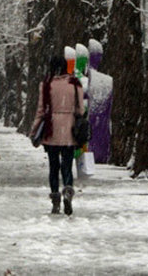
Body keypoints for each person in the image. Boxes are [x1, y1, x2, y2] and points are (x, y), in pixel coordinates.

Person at [30, 55, 85, 215]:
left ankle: (55, 200)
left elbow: (41, 110)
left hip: (51, 129)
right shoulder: (75, 84)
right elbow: (80, 109)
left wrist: (34, 131)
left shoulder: (47, 84)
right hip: (69, 129)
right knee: (67, 165)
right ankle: (67, 191)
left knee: (53, 166)